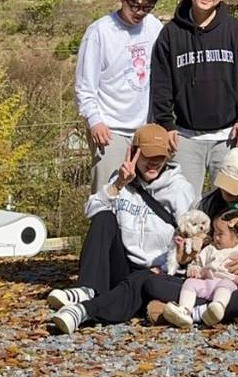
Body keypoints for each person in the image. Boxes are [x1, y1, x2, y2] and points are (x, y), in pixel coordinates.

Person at [47, 123, 194, 334]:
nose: (154, 163)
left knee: (140, 280)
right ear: (134, 153)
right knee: (104, 217)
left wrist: (163, 267)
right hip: (123, 263)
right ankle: (86, 288)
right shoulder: (121, 178)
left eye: (160, 157)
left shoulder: (179, 189)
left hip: (157, 270)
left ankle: (83, 311)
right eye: (148, 156)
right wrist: (118, 184)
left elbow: (190, 240)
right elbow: (91, 211)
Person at [149, 0, 238, 196]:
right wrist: (166, 123)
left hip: (229, 137)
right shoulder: (170, 33)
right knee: (185, 206)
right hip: (185, 139)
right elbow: (161, 84)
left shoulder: (237, 31)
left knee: (230, 202)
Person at [143, 146, 238, 326]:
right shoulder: (203, 203)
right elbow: (181, 251)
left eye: (234, 185)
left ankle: (191, 311)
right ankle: (235, 312)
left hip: (237, 284)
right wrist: (184, 258)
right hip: (201, 282)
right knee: (152, 284)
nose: (227, 191)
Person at [75, 0, 162, 192]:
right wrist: (95, 121)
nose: (141, 13)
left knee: (144, 198)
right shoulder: (100, 32)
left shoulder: (154, 27)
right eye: (135, 6)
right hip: (110, 131)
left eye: (147, 7)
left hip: (145, 131)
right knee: (108, 195)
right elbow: (85, 86)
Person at [162, 210, 238, 328]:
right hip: (207, 283)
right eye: (215, 232)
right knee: (189, 282)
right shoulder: (210, 248)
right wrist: (194, 269)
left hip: (228, 285)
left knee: (225, 285)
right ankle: (184, 310)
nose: (216, 237)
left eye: (220, 234)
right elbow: (197, 262)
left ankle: (217, 308)